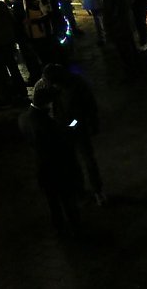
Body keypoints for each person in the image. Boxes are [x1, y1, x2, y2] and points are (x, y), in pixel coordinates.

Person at [18, 85, 84, 238]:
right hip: (58, 168)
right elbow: (64, 135)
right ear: (47, 103)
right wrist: (74, 123)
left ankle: (59, 228)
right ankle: (76, 229)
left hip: (41, 168)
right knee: (67, 200)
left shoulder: (23, 118)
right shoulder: (45, 124)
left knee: (52, 202)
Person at [36, 63, 106, 206]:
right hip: (61, 129)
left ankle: (97, 190)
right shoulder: (47, 86)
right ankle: (80, 191)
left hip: (76, 127)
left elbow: (83, 111)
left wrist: (72, 126)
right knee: (72, 162)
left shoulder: (75, 85)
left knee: (87, 159)